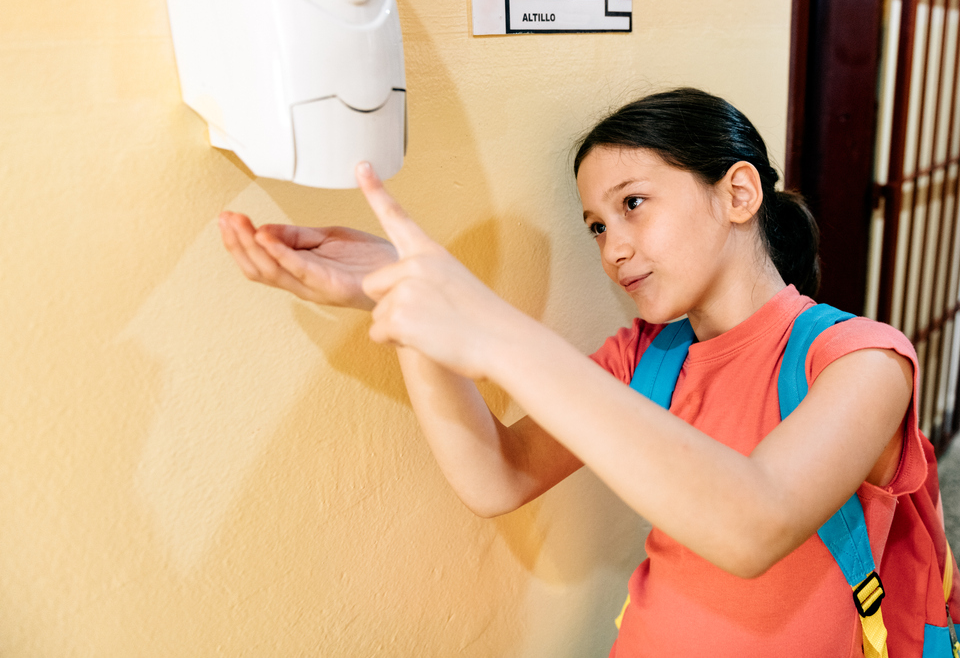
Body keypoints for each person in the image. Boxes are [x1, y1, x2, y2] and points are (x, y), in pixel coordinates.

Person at [219, 88, 924, 657]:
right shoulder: (642, 358)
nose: (614, 247)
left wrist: (492, 329)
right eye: (596, 226)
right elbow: (498, 476)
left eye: (632, 204)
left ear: (738, 194)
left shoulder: (863, 361)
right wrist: (406, 301)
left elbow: (751, 524)